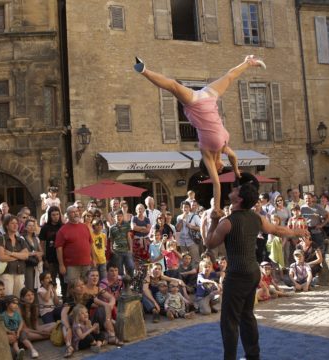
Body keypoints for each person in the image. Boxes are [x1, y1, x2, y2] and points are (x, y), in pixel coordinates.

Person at [135, 57, 265, 214]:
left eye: (219, 169)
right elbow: (233, 156)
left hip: (195, 102)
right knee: (229, 76)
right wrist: (237, 171)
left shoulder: (206, 152)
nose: (222, 167)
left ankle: (143, 70)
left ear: (214, 169)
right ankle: (248, 62)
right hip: (209, 98)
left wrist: (216, 208)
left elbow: (216, 185)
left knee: (173, 86)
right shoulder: (223, 148)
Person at [204, 172, 309, 360]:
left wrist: (212, 220)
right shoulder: (257, 218)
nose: (234, 189)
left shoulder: (226, 223)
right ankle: (253, 356)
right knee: (247, 315)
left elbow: (209, 243)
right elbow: (277, 230)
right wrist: (295, 231)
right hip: (253, 271)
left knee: (229, 321)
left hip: (237, 274)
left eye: (237, 189)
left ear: (239, 198)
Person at [56, 206, 95, 287]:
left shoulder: (85, 227)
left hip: (86, 263)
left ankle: (85, 300)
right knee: (73, 287)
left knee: (86, 285)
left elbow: (91, 244)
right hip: (71, 265)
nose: (76, 213)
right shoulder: (63, 230)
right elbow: (59, 248)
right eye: (72, 212)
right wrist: (61, 265)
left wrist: (94, 259)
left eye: (77, 211)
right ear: (68, 215)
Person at [0, 215, 29, 297]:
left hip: (19, 272)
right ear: (6, 225)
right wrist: (19, 256)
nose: (15, 225)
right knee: (7, 297)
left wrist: (11, 253)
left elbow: (26, 256)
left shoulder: (20, 240)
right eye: (12, 223)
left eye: (16, 223)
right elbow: (2, 257)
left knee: (18, 297)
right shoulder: (1, 238)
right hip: (6, 273)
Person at [1, 295, 38, 359]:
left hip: (18, 331)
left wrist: (18, 331)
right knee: (15, 343)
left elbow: (21, 322)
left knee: (24, 339)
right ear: (7, 304)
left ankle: (32, 350)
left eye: (17, 304)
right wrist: (9, 331)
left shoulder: (16, 313)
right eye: (13, 303)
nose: (16, 305)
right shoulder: (3, 315)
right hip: (10, 333)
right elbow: (2, 326)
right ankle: (19, 353)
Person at [108, 210, 134, 277]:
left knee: (131, 267)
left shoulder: (127, 225)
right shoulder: (112, 228)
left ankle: (130, 283)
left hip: (126, 250)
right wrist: (111, 249)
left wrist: (131, 249)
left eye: (120, 216)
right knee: (120, 271)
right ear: (114, 217)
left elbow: (129, 237)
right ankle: (122, 286)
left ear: (122, 217)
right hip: (117, 252)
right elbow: (111, 239)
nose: (118, 218)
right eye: (117, 216)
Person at [176, 201, 202, 265]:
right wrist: (182, 219)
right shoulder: (179, 217)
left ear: (189, 208)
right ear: (181, 208)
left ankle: (196, 274)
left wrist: (192, 227)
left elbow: (201, 228)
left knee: (195, 260)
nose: (185, 209)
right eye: (184, 207)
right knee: (185, 261)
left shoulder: (195, 216)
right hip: (182, 242)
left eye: (187, 207)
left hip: (192, 241)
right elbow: (178, 230)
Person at [20, 219, 43, 291]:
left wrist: (39, 255)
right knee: (29, 285)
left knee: (37, 286)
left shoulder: (36, 238)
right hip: (27, 264)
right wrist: (34, 253)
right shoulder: (22, 238)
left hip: (36, 263)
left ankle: (36, 301)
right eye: (29, 225)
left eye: (33, 225)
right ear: (25, 227)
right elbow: (21, 253)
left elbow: (41, 252)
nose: (31, 227)